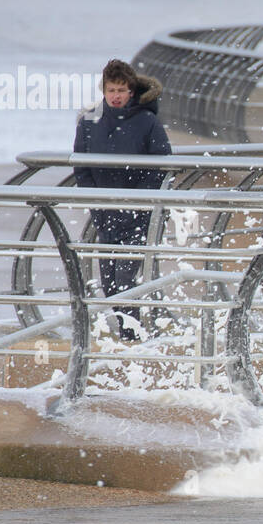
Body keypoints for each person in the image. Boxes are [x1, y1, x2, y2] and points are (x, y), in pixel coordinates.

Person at [73, 59, 172, 340]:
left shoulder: (147, 121)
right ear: (103, 90)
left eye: (122, 90)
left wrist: (137, 202)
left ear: (132, 91)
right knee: (109, 283)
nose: (116, 95)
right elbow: (81, 168)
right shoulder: (89, 121)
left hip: (138, 216)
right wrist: (97, 204)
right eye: (111, 89)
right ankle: (130, 336)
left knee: (127, 280)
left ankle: (132, 337)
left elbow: (160, 167)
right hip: (105, 215)